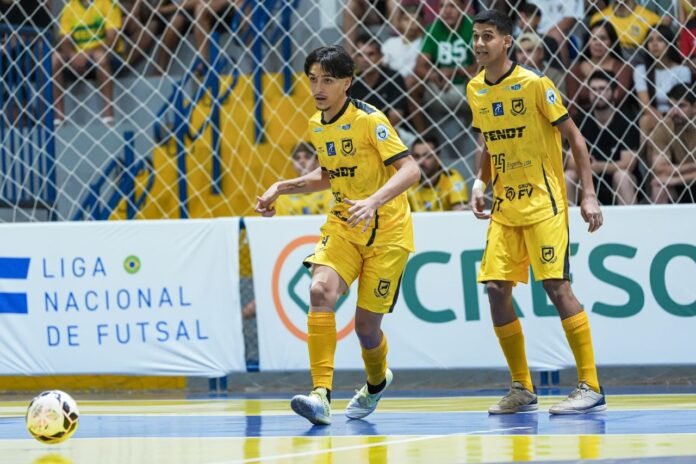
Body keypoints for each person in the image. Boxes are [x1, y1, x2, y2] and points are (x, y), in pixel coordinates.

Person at [255, 45, 420, 425]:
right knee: (318, 291)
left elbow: (410, 170)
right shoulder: (317, 124)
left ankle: (377, 383)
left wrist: (374, 201)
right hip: (344, 226)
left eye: (327, 80)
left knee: (366, 330)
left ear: (347, 82)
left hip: (388, 234)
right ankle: (320, 395)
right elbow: (328, 175)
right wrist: (282, 186)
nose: (318, 87)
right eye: (313, 79)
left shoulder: (370, 120)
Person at [466, 10, 606, 415]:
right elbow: (490, 142)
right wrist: (480, 182)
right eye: (475, 36)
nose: (479, 44)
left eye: (488, 36)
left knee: (556, 288)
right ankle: (522, 388)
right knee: (495, 290)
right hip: (505, 206)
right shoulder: (476, 88)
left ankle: (590, 384)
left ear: (508, 41)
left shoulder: (535, 84)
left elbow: (576, 139)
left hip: (544, 204)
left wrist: (588, 195)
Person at [568, 70, 640, 205]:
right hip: (588, 181)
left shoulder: (627, 119)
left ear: (615, 93)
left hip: (616, 181)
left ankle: (630, 224)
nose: (597, 94)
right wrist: (587, 166)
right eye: (593, 89)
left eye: (602, 89)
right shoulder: (580, 119)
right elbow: (570, 162)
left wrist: (600, 166)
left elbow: (628, 164)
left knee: (622, 176)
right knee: (569, 176)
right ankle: (568, 224)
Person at [52, 0, 124, 124]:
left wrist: (87, 53)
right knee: (55, 58)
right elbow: (63, 39)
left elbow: (112, 40)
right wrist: (72, 55)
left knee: (99, 56)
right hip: (79, 58)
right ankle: (59, 115)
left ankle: (108, 113)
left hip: (109, 57)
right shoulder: (70, 6)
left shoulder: (108, 3)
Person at [648, 83, 696, 203]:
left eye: (681, 106)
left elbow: (667, 173)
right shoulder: (664, 127)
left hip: (677, 179)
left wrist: (676, 179)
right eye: (671, 106)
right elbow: (660, 169)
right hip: (678, 187)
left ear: (694, 107)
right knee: (659, 185)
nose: (674, 112)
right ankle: (658, 222)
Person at [407, 136, 469, 211]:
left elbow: (460, 216)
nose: (421, 162)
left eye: (427, 156)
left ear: (438, 159)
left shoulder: (452, 178)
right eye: (417, 156)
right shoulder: (407, 181)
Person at [273, 142, 333, 215]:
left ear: (318, 161)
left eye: (307, 157)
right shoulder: (283, 197)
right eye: (297, 158)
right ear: (292, 164)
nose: (302, 161)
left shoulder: (330, 192)